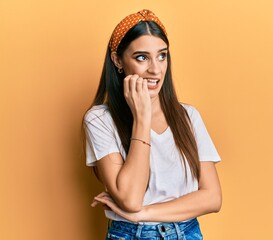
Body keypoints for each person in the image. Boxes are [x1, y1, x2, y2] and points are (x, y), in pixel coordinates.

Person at [83, 9, 221, 240]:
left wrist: (143, 214)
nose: (155, 69)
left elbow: (212, 198)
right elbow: (130, 198)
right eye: (141, 57)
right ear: (118, 60)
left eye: (162, 55)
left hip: (188, 233)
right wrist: (141, 117)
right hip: (131, 235)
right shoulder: (99, 119)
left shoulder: (188, 116)